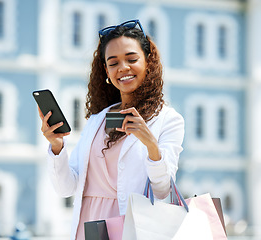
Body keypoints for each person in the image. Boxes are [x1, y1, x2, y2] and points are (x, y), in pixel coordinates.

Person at [38, 19, 185, 240]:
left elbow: (163, 190)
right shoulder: (97, 120)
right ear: (106, 71)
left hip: (131, 228)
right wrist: (57, 147)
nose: (123, 68)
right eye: (113, 62)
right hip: (87, 228)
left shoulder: (167, 119)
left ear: (148, 62)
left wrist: (151, 145)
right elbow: (65, 188)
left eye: (132, 59)